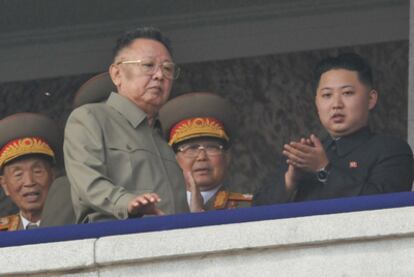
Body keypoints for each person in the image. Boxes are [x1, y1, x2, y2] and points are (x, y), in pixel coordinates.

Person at [64, 27, 189, 223]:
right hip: (115, 242)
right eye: (148, 65)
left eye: (167, 68)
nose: (159, 75)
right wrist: (126, 202)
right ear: (117, 74)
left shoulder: (162, 138)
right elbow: (87, 181)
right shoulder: (90, 118)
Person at [254, 53, 414, 205]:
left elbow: (385, 208)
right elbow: (256, 214)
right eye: (327, 95)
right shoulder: (303, 155)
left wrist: (324, 170)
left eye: (347, 93)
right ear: (316, 102)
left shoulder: (390, 150)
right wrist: (290, 180)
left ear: (371, 99)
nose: (336, 104)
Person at [159, 92, 252, 211]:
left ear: (227, 157)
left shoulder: (248, 209)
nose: (202, 157)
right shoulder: (158, 212)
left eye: (212, 147)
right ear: (173, 158)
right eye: (191, 148)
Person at [0, 113, 61, 230]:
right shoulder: (3, 234)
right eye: (18, 174)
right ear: (4, 185)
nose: (29, 182)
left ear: (53, 176)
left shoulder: (76, 223)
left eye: (37, 171)